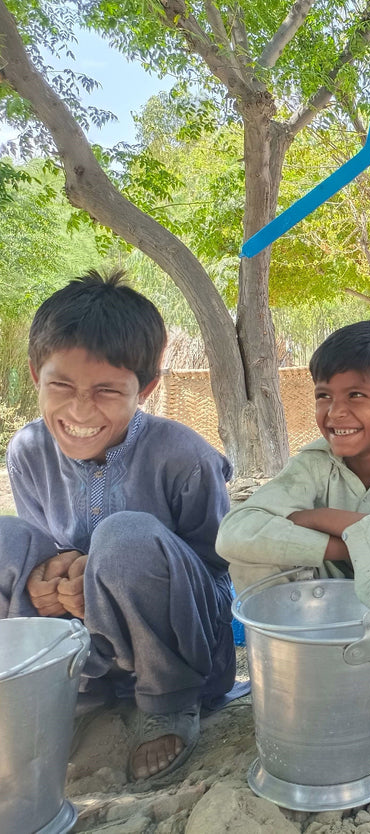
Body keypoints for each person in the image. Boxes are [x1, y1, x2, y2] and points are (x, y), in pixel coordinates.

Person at [0, 270, 236, 781]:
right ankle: (49, 687)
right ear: (35, 372)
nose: (80, 409)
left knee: (126, 537)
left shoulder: (184, 458)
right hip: (84, 648)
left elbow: (218, 577)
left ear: (145, 388)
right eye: (60, 384)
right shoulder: (27, 452)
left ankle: (168, 704)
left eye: (107, 390)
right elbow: (41, 548)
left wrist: (107, 574)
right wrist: (54, 577)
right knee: (4, 539)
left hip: (180, 653)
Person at [216, 320, 370, 733]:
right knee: (253, 556)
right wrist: (343, 548)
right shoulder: (314, 464)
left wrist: (326, 521)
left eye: (356, 395)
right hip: (327, 612)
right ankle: (306, 670)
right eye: (324, 396)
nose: (335, 413)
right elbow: (235, 532)